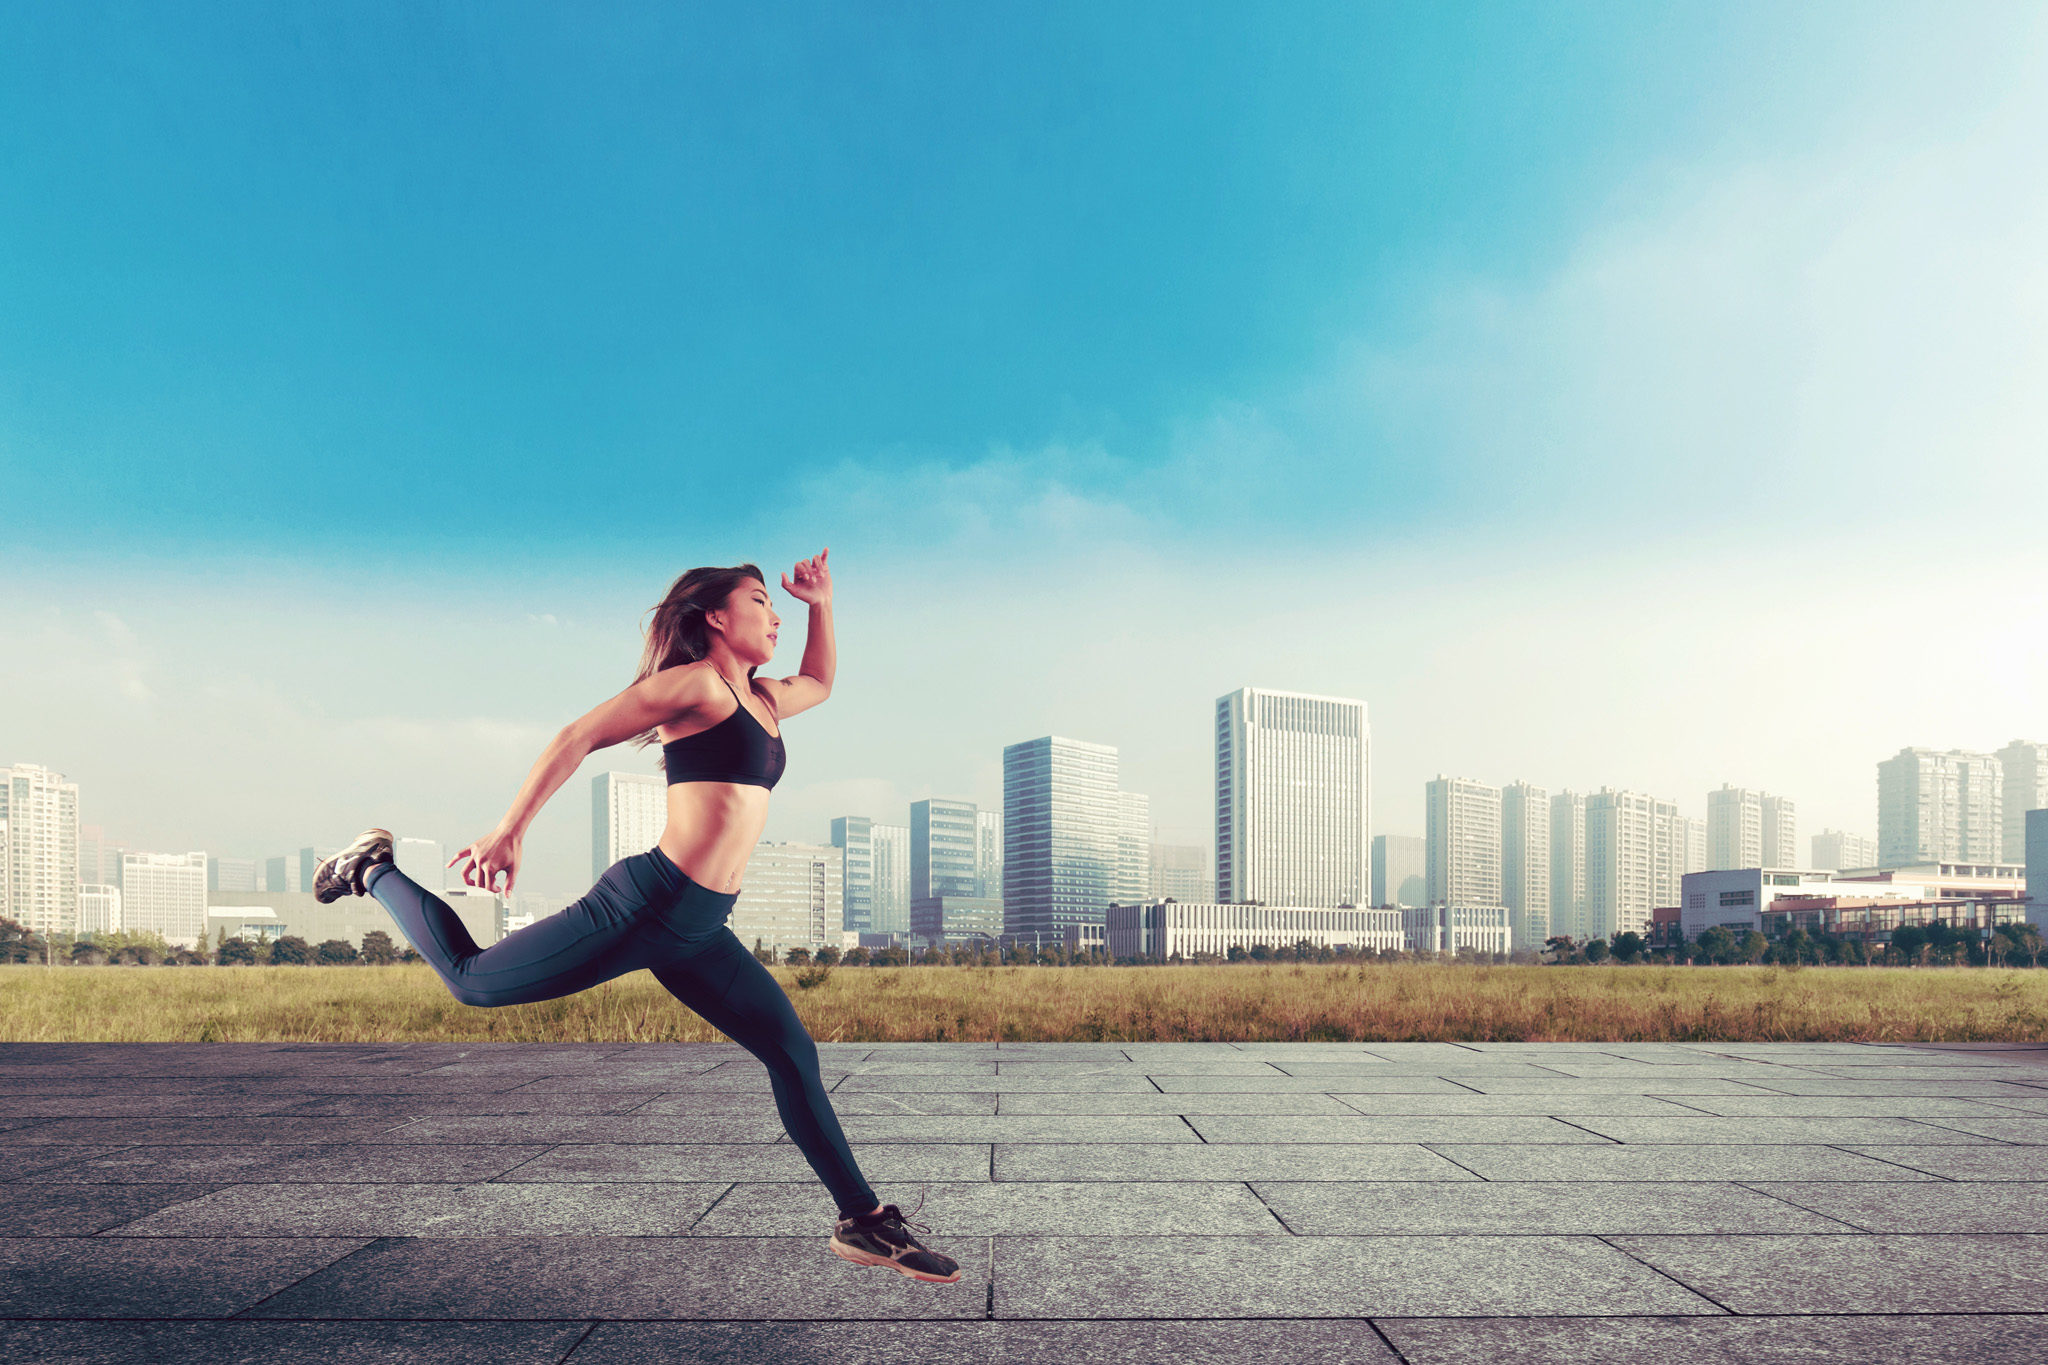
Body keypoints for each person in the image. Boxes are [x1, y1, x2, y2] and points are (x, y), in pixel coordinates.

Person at [313, 549, 959, 1284]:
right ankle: (371, 868)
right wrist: (511, 827)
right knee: (470, 981)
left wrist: (823, 603)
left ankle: (865, 1222)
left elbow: (821, 680)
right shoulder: (695, 685)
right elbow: (578, 735)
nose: (773, 614)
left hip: (701, 926)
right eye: (759, 600)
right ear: (715, 616)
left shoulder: (764, 699)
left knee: (790, 1053)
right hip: (647, 903)